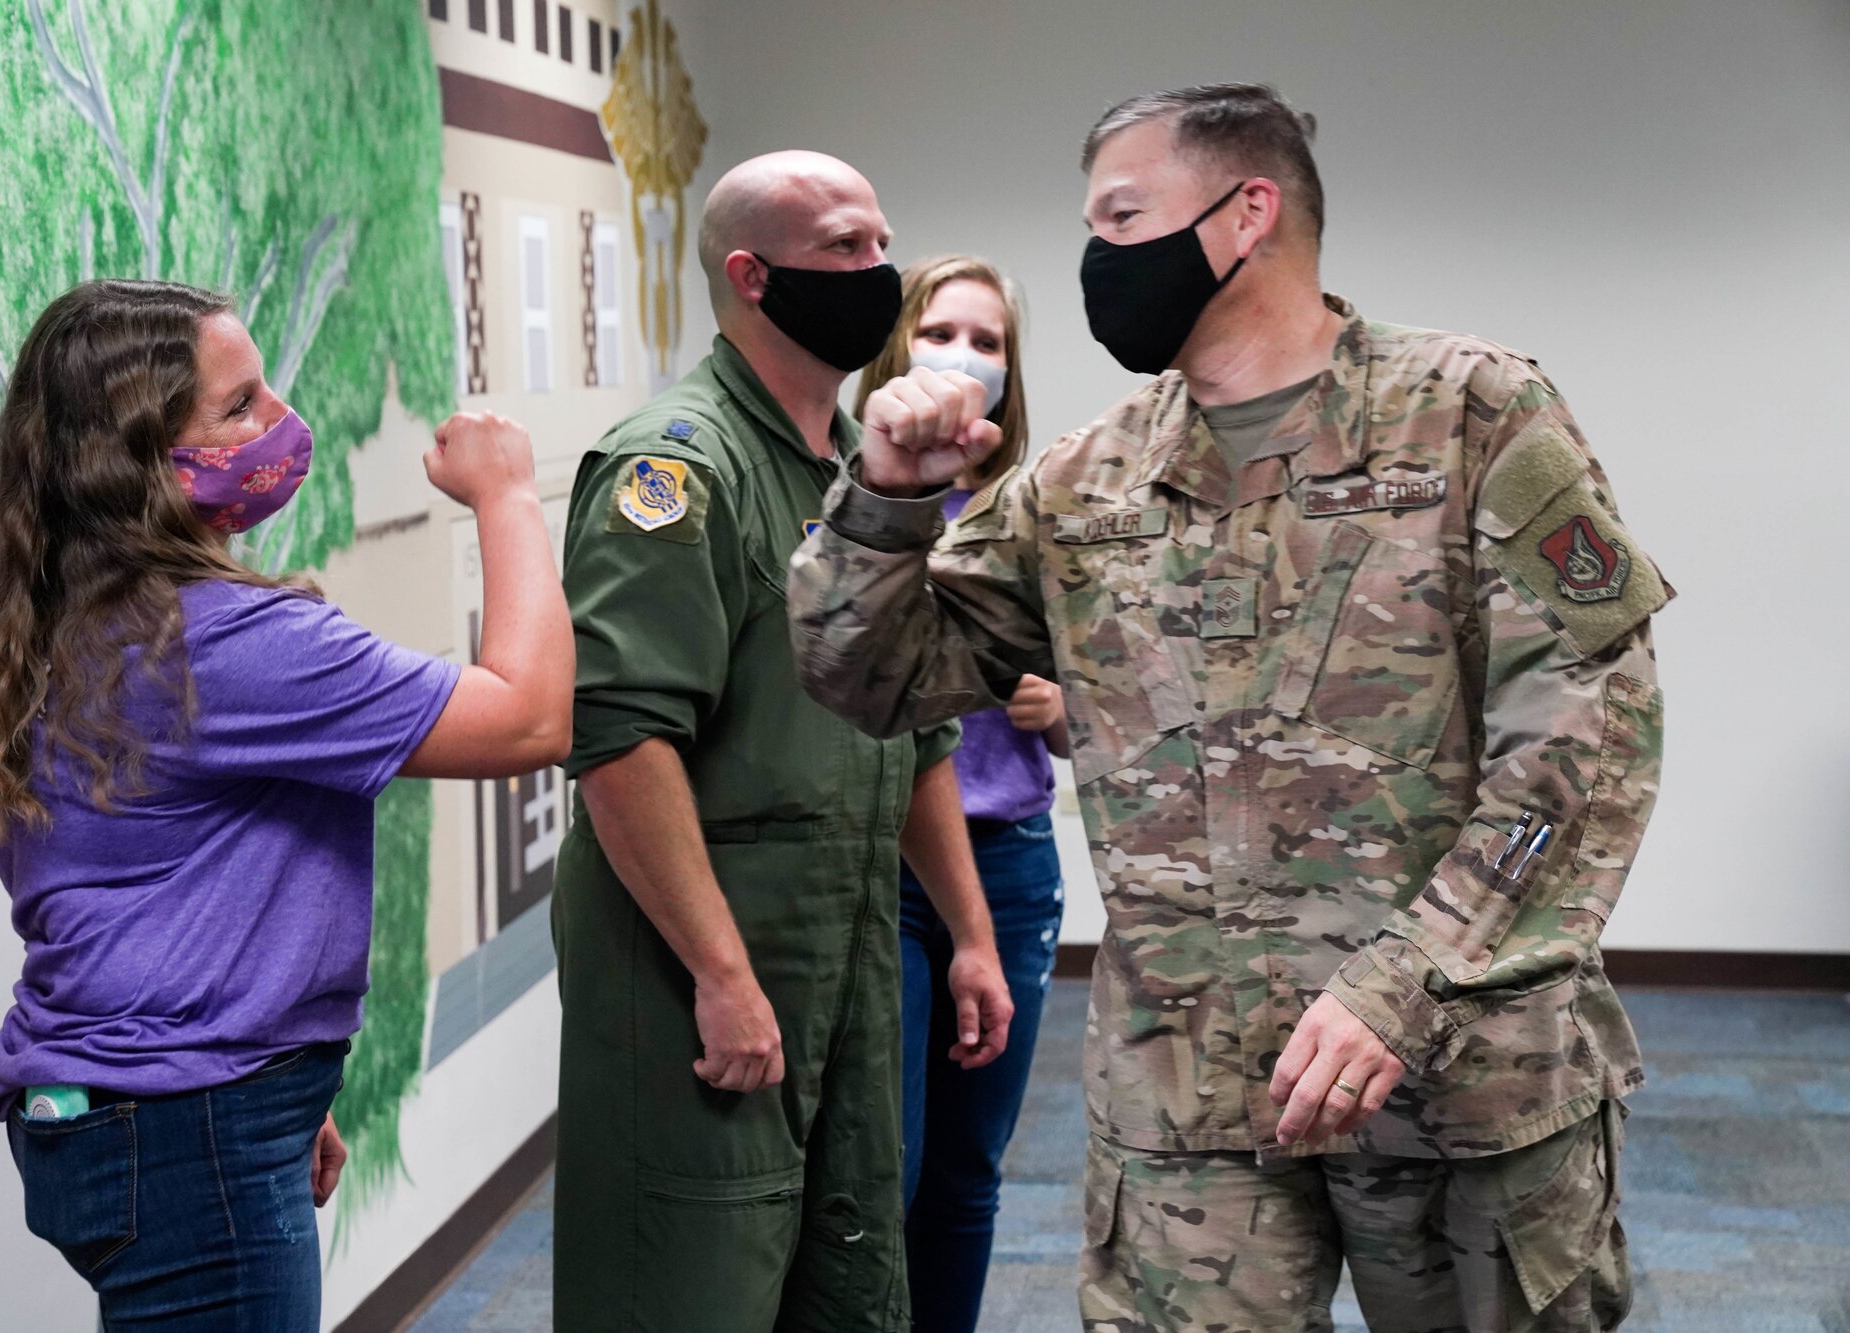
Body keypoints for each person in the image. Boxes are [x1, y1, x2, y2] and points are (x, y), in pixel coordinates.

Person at [789, 84, 1669, 1333]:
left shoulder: (1470, 414)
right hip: (1188, 1099)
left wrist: (1410, 979)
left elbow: (1588, 744)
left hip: (1456, 1079)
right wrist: (879, 497)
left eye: (1123, 215)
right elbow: (861, 677)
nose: (1097, 258)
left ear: (1245, 213)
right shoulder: (1081, 481)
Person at [0, 279, 572, 1329]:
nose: (278, 423)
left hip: (119, 1109)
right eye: (239, 405)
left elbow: (130, 883)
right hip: (180, 1125)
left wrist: (277, 1090)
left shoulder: (63, 616)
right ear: (137, 457)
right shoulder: (220, 640)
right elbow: (526, 719)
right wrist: (508, 498)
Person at [551, 152, 1015, 1333]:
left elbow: (906, 727)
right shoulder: (673, 470)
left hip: (843, 953)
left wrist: (967, 931)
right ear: (753, 278)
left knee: (846, 1279)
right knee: (693, 1281)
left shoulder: (860, 465)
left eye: (880, 240)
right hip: (707, 970)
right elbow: (618, 742)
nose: (880, 273)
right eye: (846, 249)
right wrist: (718, 976)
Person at [855, 255, 1067, 1333]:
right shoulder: (849, 511)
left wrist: (1055, 709)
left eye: (988, 344)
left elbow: (1112, 716)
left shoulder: (1030, 517)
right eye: (940, 333)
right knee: (876, 1168)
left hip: (1010, 866)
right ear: (894, 348)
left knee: (966, 1170)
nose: (963, 359)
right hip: (885, 871)